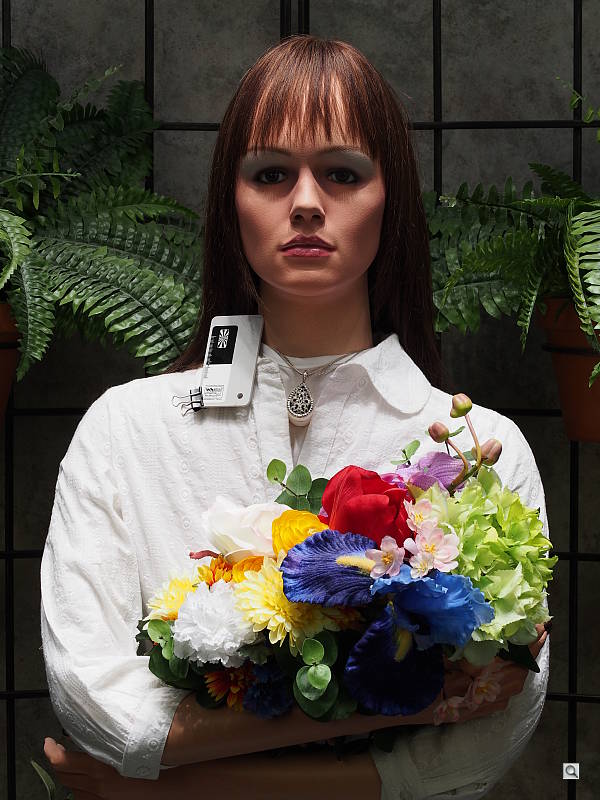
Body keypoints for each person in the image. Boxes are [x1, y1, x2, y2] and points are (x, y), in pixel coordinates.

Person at [41, 35, 550, 799]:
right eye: (271, 174)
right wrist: (389, 712)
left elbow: (484, 747)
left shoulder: (481, 450)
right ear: (232, 201)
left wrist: (166, 790)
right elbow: (91, 696)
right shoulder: (125, 432)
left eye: (343, 173)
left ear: (391, 200)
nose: (307, 202)